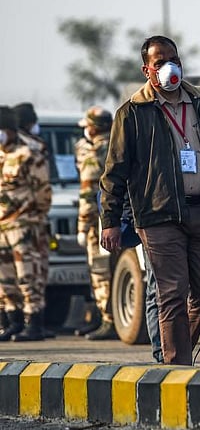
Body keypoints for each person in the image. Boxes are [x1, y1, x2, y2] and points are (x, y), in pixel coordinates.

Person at [99, 35, 200, 365]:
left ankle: (179, 356)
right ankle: (177, 367)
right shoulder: (132, 113)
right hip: (158, 216)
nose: (169, 67)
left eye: (174, 60)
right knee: (172, 293)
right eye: (160, 62)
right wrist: (109, 221)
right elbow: (114, 171)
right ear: (146, 70)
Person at [0, 105, 52, 342]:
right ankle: (13, 321)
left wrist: (35, 219)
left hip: (24, 225)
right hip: (2, 228)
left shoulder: (28, 154)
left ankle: (34, 323)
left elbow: (43, 191)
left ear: (11, 129)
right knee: (5, 279)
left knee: (28, 276)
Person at [74, 106, 118, 340]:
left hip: (99, 223)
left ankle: (108, 321)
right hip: (119, 218)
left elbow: (88, 193)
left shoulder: (94, 153)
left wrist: (83, 225)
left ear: (92, 127)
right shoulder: (116, 144)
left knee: (101, 272)